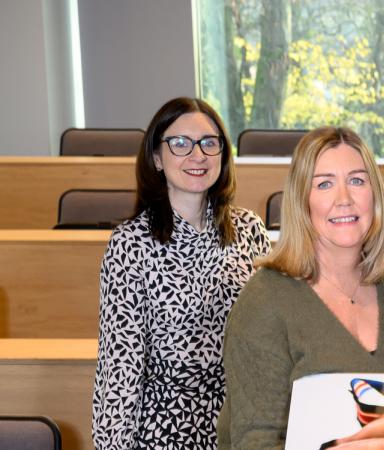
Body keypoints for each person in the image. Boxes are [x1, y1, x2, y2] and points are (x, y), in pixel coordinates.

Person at [218, 127, 384, 449]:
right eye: (324, 184)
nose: (344, 199)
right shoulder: (264, 302)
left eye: (357, 180)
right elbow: (254, 442)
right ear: (301, 202)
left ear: (374, 195)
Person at [91, 97, 271, 449]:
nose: (197, 155)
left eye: (209, 142)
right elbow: (120, 368)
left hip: (241, 423)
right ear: (157, 158)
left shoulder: (250, 229)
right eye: (180, 143)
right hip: (163, 429)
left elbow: (271, 339)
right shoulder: (130, 244)